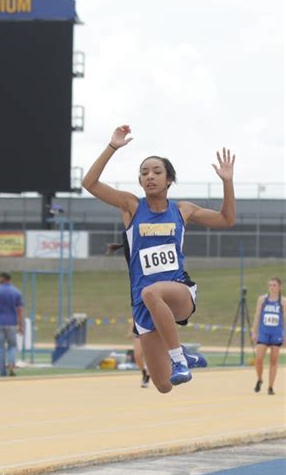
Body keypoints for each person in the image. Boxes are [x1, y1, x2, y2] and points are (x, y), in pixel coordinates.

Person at [83, 123, 236, 393]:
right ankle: (183, 355)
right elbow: (89, 184)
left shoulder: (182, 210)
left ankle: (178, 358)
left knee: (153, 292)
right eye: (144, 173)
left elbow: (226, 220)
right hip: (143, 304)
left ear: (169, 180)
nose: (150, 176)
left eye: (156, 172)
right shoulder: (131, 206)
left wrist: (227, 181)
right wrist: (112, 147)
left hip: (178, 292)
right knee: (164, 385)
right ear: (140, 181)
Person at [106, 241, 150, 387]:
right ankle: (145, 374)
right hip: (140, 322)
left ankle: (159, 371)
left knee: (153, 354)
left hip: (153, 323)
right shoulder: (137, 284)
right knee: (138, 355)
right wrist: (131, 327)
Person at [0, 272, 24, 377]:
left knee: (0, 348)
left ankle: (2, 372)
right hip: (12, 323)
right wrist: (21, 325)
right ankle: (11, 365)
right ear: (10, 279)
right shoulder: (17, 292)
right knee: (12, 346)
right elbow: (20, 310)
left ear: (2, 279)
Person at [251, 277, 285, 395]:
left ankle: (270, 387)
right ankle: (260, 379)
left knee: (274, 360)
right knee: (259, 359)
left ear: (279, 287)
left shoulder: (283, 301)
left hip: (277, 333)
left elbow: (285, 319)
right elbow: (257, 315)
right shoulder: (262, 299)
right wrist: (254, 331)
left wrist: (285, 335)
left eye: (274, 285)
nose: (272, 287)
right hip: (264, 333)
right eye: (270, 285)